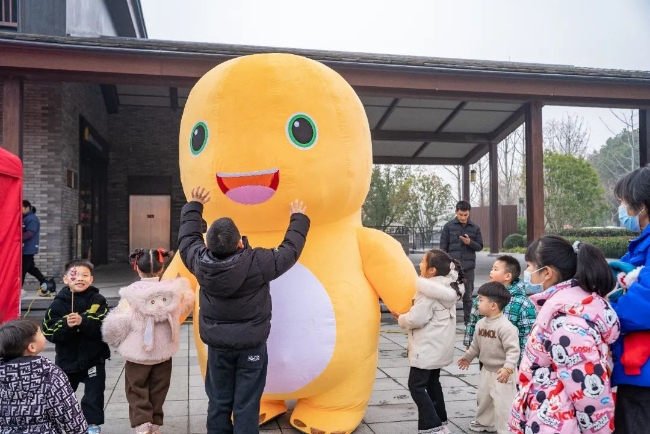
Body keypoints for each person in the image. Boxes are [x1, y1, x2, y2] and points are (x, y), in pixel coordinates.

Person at [177, 187, 310, 434]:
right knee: (247, 405)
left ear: (207, 244)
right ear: (240, 242)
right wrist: (298, 218)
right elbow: (290, 251)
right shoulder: (258, 261)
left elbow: (186, 240)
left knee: (218, 401)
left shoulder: (198, 261)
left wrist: (194, 205)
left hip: (218, 348)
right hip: (251, 347)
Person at [509, 236, 619, 434]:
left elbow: (588, 390)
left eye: (529, 266)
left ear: (547, 273)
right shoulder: (564, 308)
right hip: (549, 415)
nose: (527, 272)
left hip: (557, 422)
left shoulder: (567, 322)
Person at [102, 249, 195, 434]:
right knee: (159, 387)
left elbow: (119, 322)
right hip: (163, 351)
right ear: (161, 269)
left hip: (138, 353)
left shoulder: (131, 294)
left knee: (136, 388)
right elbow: (186, 305)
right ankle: (156, 424)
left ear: (137, 268)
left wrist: (115, 340)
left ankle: (143, 424)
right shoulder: (173, 291)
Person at [394, 249, 465, 434]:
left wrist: (401, 318)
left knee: (416, 386)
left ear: (432, 270)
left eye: (423, 262)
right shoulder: (449, 287)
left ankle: (433, 427)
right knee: (433, 383)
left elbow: (416, 319)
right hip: (439, 347)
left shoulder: (428, 292)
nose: (420, 264)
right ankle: (441, 422)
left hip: (426, 347)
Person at [42, 259, 110, 434]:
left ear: (91, 279)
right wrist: (66, 324)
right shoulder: (58, 304)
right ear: (66, 279)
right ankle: (62, 423)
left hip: (94, 357)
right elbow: (49, 331)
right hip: (67, 359)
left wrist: (83, 321)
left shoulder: (98, 300)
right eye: (75, 275)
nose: (80, 278)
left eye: (85, 275)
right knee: (64, 394)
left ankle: (92, 424)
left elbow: (104, 325)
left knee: (94, 394)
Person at [608, 165, 650, 433]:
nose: (621, 209)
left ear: (641, 206)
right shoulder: (641, 245)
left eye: (623, 202)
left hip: (644, 375)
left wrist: (602, 312)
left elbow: (640, 308)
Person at [0, 318, 88, 433]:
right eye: (40, 332)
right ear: (32, 347)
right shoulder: (49, 374)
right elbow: (69, 415)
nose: (43, 334)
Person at [458, 282, 519, 434]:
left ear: (493, 305)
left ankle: (506, 428)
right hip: (486, 369)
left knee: (503, 402)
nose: (477, 303)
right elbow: (475, 345)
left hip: (503, 373)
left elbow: (513, 351)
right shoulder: (480, 324)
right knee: (484, 398)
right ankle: (485, 422)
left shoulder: (506, 327)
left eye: (480, 300)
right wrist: (468, 357)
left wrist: (508, 368)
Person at [464, 255, 536, 367]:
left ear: (507, 276)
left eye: (495, 269)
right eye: (492, 268)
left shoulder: (522, 303)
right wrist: (469, 343)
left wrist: (522, 361)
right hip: (487, 356)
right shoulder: (482, 297)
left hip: (510, 361)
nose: (491, 271)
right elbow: (473, 320)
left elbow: (526, 334)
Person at [439, 200, 483, 325]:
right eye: (460, 215)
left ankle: (468, 322)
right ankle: (448, 321)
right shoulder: (448, 226)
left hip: (468, 268)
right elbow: (443, 248)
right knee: (449, 295)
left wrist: (470, 242)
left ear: (469, 213)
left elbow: (480, 246)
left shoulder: (475, 228)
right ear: (456, 212)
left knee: (468, 296)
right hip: (453, 268)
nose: (463, 217)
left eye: (465, 215)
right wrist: (446, 264)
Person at [21, 200, 54, 297]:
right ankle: (44, 281)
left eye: (21, 208)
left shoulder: (31, 219)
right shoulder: (25, 218)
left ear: (27, 208)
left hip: (28, 248)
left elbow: (30, 233)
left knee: (23, 269)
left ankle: (19, 289)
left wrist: (16, 237)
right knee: (30, 268)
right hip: (25, 248)